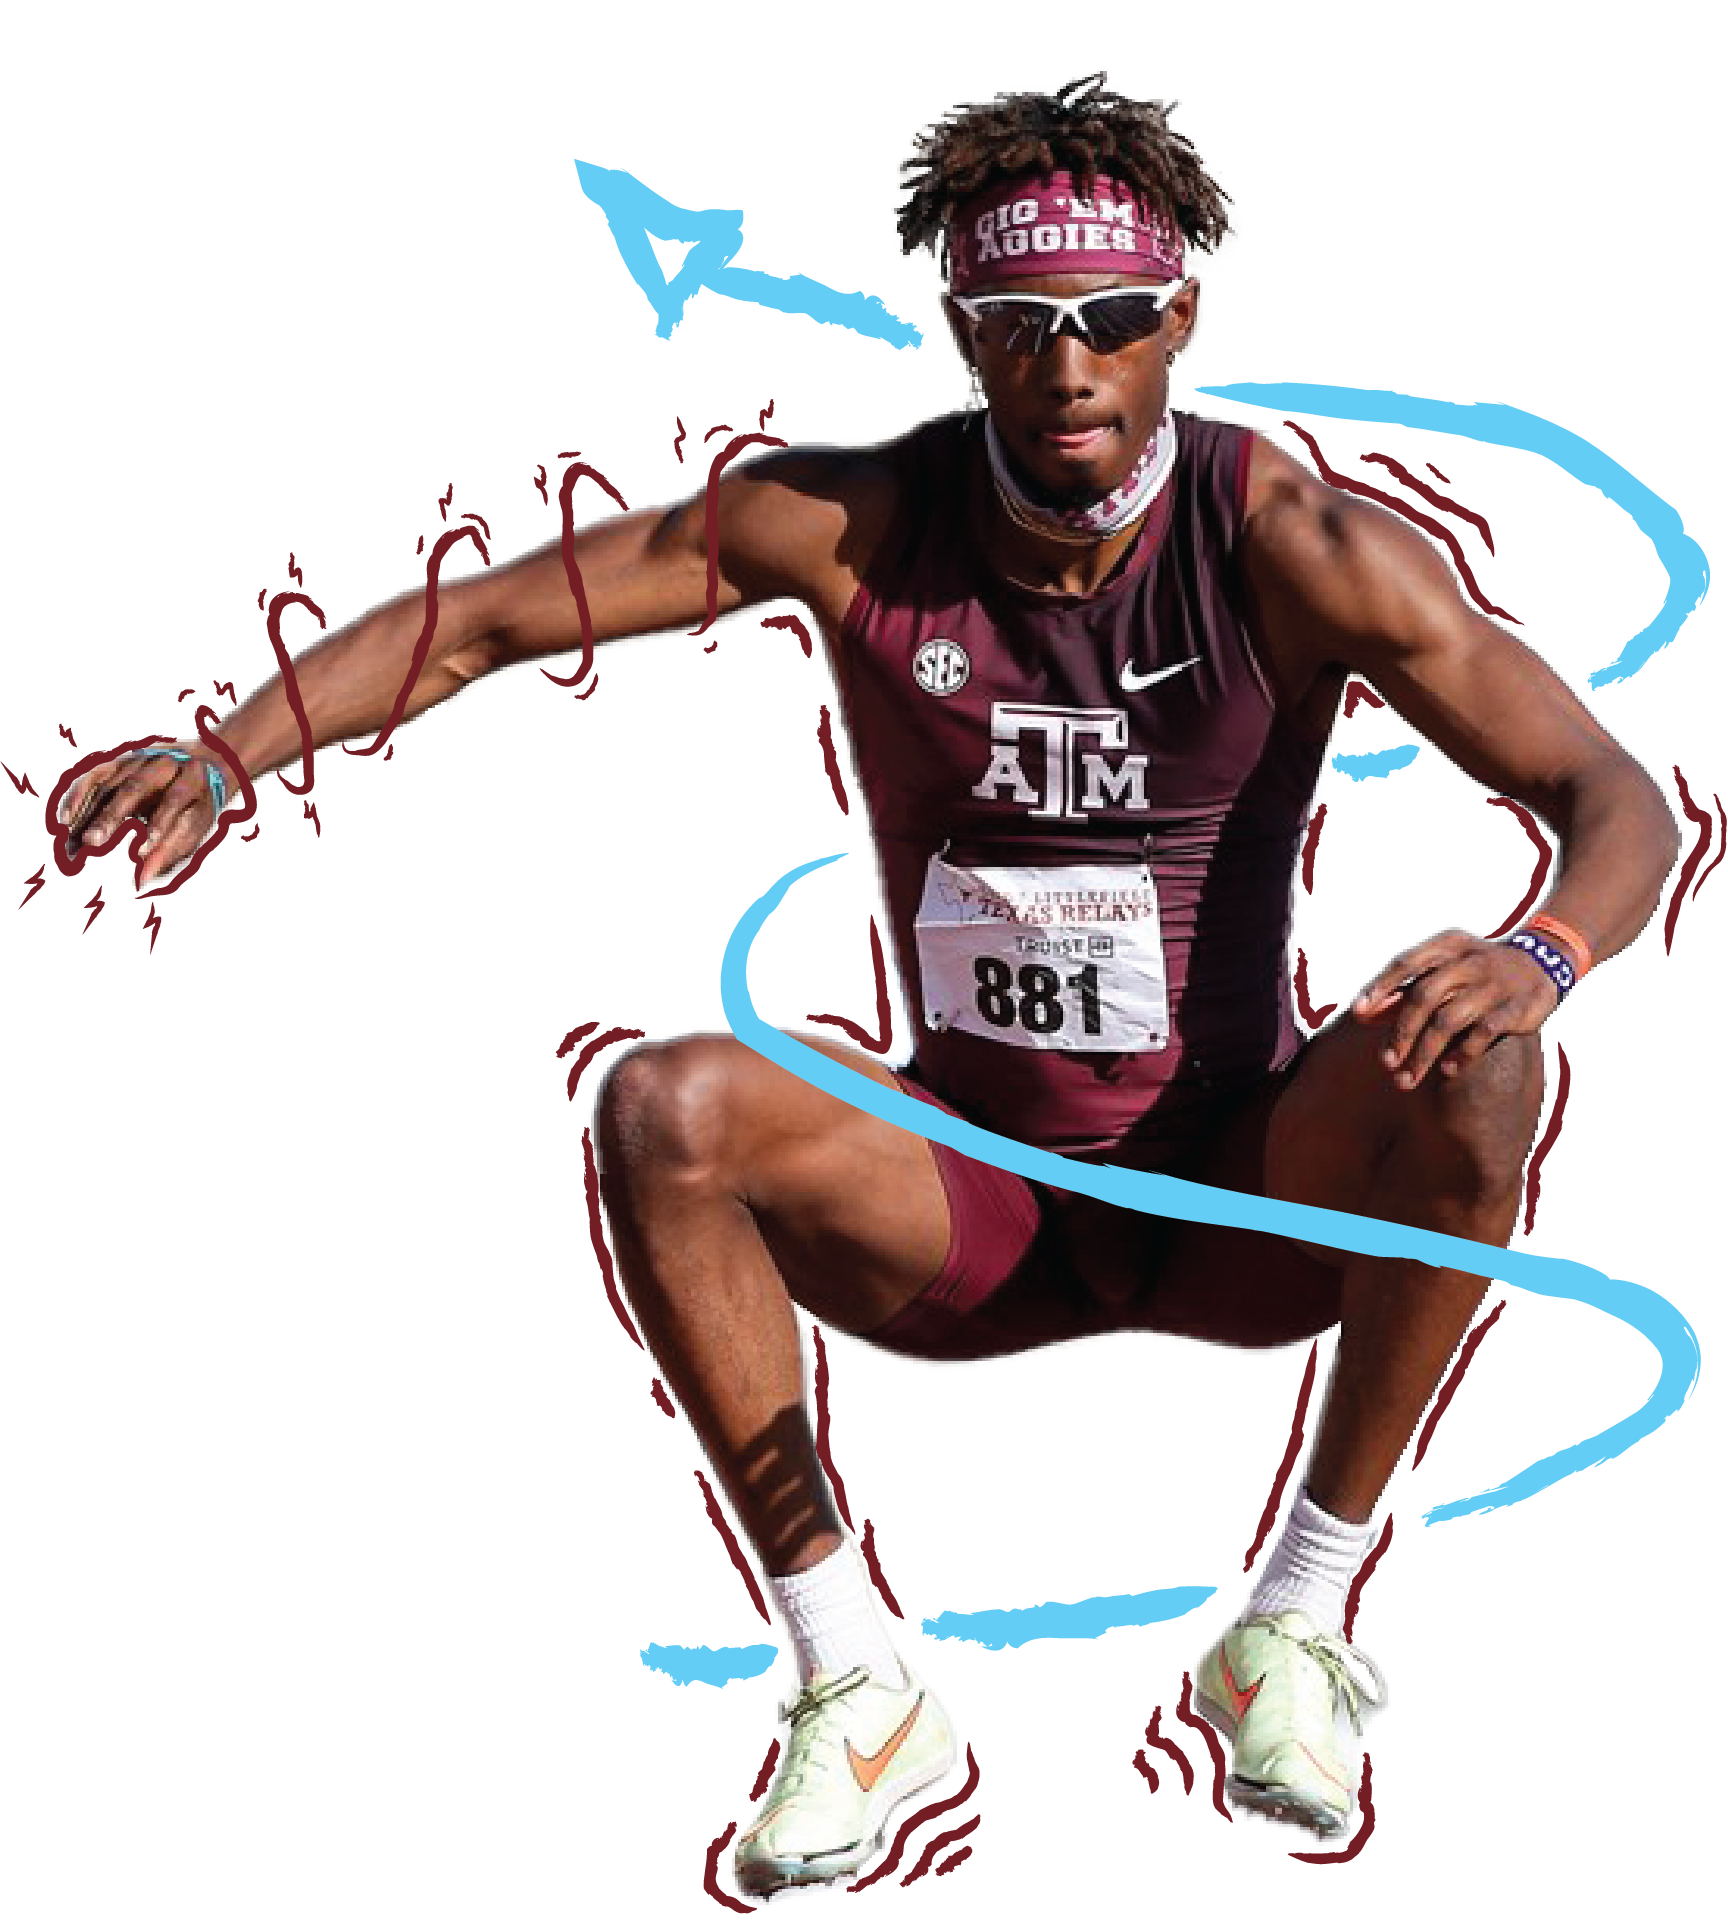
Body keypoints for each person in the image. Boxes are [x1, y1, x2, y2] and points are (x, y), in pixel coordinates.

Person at [54, 71, 1678, 1899]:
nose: (1069, 367)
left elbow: (1615, 797)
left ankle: (1291, 1627)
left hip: (1231, 1186)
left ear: (1180, 323)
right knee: (665, 1100)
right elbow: (499, 613)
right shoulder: (853, 523)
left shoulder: (1292, 540)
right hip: (964, 1195)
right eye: (1019, 327)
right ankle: (852, 1679)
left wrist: (1545, 946)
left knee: (1480, 1070)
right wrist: (228, 750)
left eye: (1112, 322)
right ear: (964, 335)